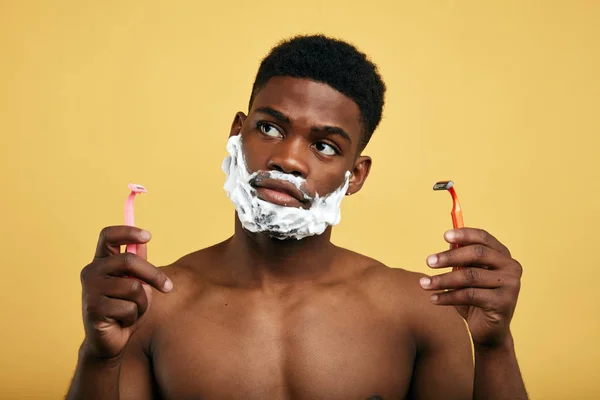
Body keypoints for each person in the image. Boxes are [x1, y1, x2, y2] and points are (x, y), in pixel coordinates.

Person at [66, 35, 527, 399]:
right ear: (236, 133)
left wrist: (495, 347)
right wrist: (98, 358)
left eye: (324, 145)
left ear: (355, 175)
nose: (287, 159)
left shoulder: (421, 312)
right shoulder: (152, 306)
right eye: (269, 128)